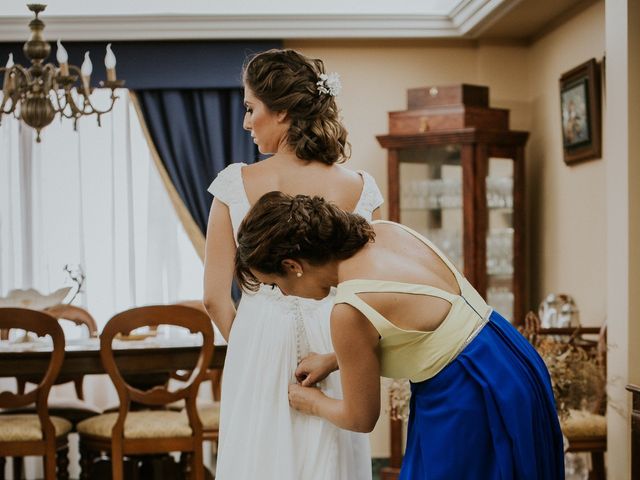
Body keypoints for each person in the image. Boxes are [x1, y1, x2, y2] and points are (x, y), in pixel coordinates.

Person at [234, 192, 566, 480]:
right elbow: (417, 322)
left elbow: (360, 417)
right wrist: (336, 361)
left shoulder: (347, 311)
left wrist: (314, 402)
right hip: (509, 356)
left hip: (466, 392)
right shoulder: (384, 231)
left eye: (275, 285)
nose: (285, 293)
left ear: (293, 265)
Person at [203, 49, 382, 480]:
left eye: (251, 108)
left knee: (258, 458)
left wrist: (251, 345)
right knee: (330, 453)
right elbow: (370, 293)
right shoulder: (359, 187)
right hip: (336, 341)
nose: (246, 122)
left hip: (257, 335)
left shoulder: (236, 183)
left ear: (281, 112)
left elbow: (213, 298)